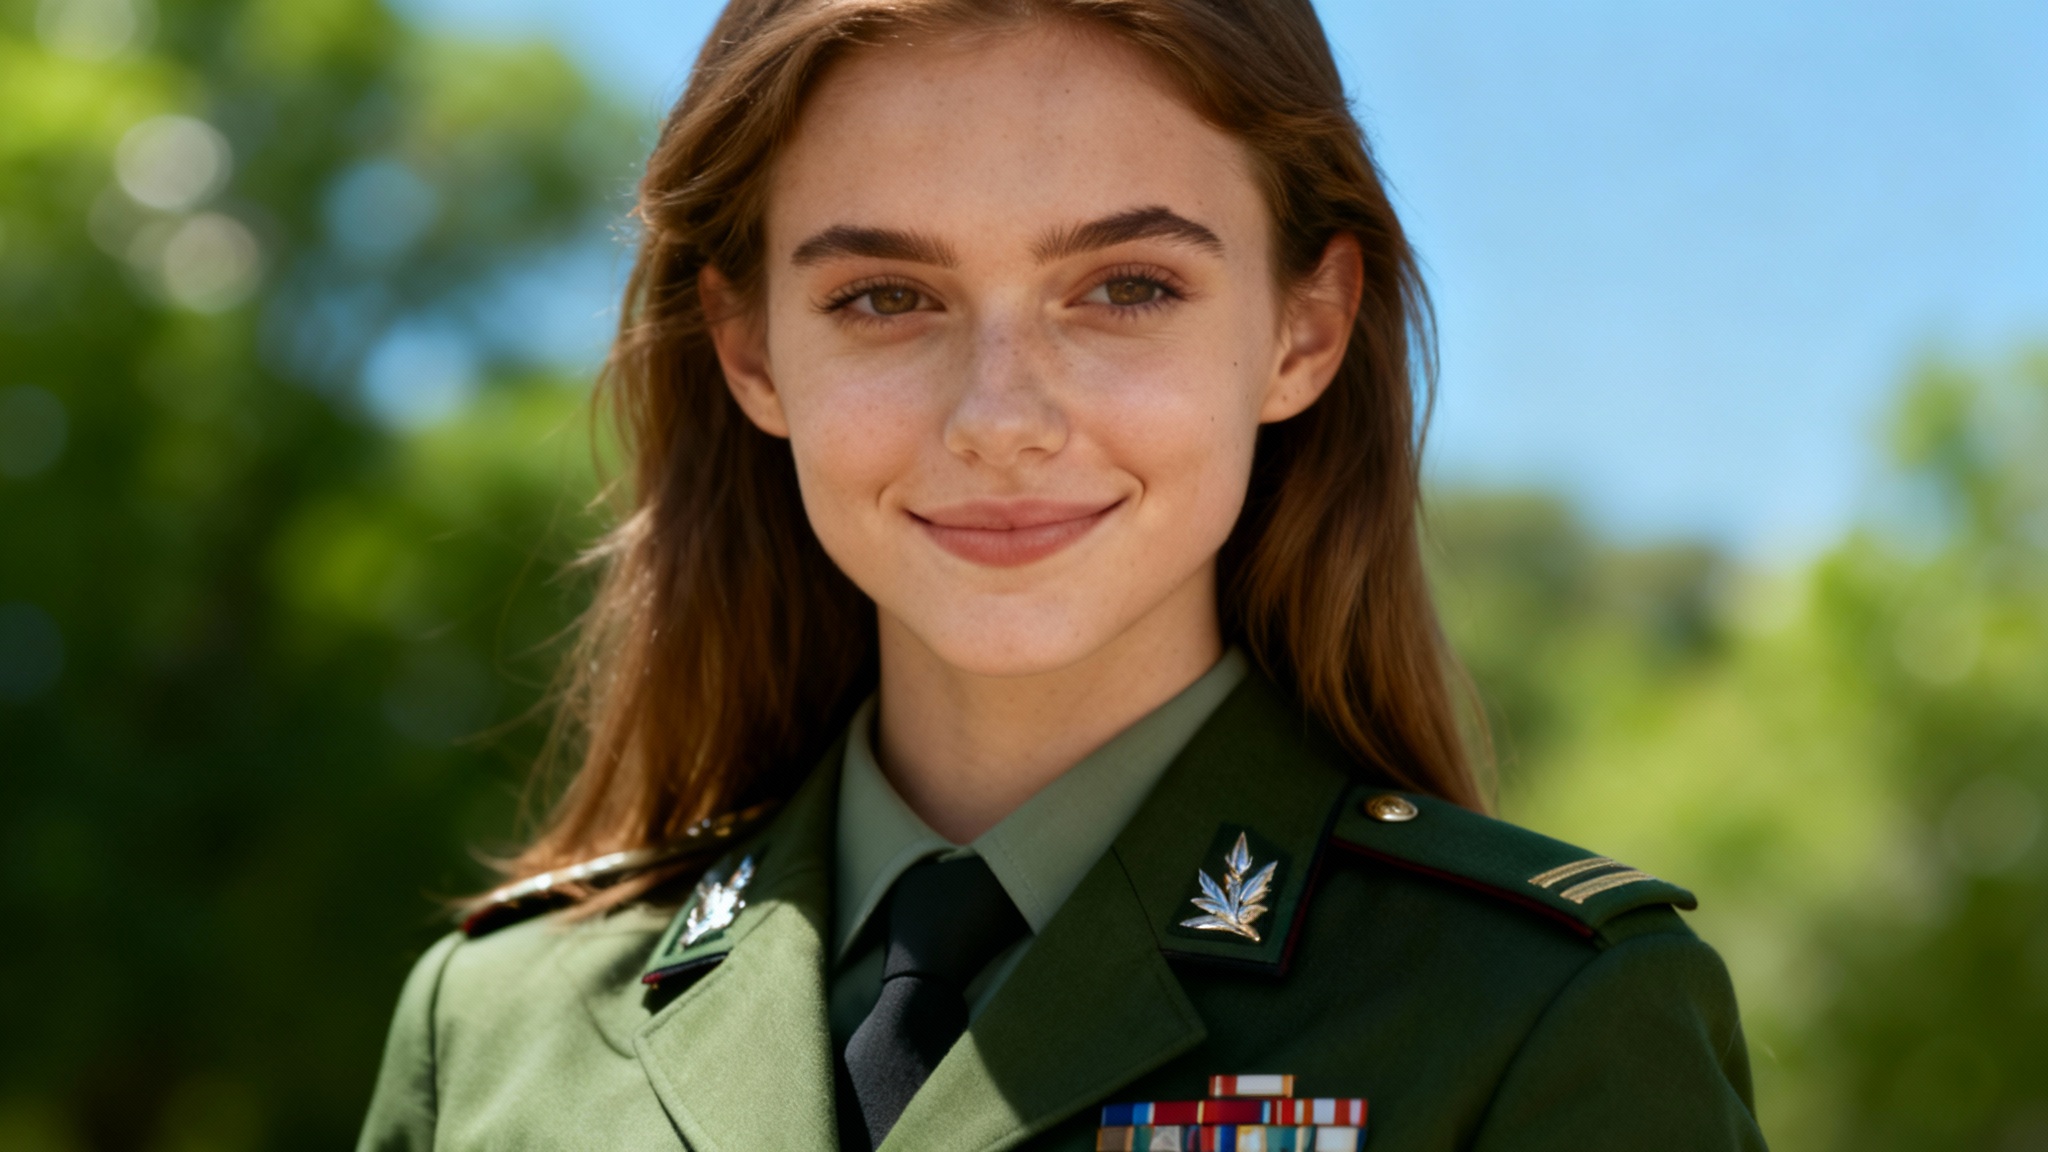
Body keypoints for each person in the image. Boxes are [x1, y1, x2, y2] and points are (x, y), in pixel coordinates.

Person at [358, 1, 1766, 1148]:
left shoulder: (1538, 1015)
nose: (1000, 419)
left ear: (1304, 327)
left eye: (1126, 288)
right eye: (884, 298)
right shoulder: (493, 1029)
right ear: (749, 350)